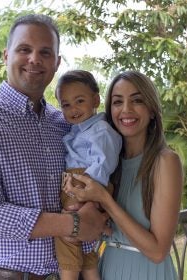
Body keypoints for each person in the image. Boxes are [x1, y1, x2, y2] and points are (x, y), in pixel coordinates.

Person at [0, 14, 110, 280]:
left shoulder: (65, 123)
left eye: (45, 52)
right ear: (5, 55)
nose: (34, 59)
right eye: (24, 49)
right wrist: (75, 224)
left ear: (56, 63)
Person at [64, 71, 183, 280]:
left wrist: (104, 199)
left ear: (152, 110)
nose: (126, 110)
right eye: (118, 102)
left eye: (137, 100)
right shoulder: (109, 162)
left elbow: (158, 252)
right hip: (107, 267)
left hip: (146, 271)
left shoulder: (165, 161)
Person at [54, 70, 122, 280]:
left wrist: (86, 197)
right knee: (85, 245)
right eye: (66, 105)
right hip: (79, 183)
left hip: (86, 184)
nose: (73, 109)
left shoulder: (100, 130)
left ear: (96, 99)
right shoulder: (78, 130)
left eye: (79, 101)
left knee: (67, 236)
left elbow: (104, 162)